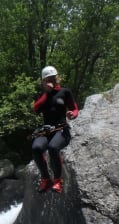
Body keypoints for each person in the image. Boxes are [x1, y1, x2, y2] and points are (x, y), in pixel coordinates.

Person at [32, 65, 79, 193]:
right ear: (43, 82)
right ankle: (46, 179)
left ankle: (58, 180)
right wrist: (47, 94)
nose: (50, 82)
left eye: (52, 79)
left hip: (61, 129)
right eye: (47, 80)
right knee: (36, 148)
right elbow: (36, 109)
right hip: (47, 130)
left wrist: (72, 114)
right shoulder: (42, 95)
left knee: (53, 148)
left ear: (56, 78)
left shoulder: (65, 92)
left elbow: (74, 108)